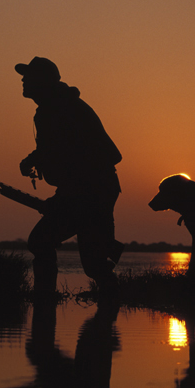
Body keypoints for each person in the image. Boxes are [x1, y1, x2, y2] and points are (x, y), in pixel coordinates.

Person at [15, 56, 123, 293]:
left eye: (28, 77)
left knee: (47, 243)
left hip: (90, 192)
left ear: (43, 81)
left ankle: (45, 300)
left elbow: (77, 151)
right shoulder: (54, 108)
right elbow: (57, 148)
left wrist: (65, 197)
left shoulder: (62, 108)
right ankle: (50, 306)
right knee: (91, 262)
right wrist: (34, 159)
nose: (23, 80)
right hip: (84, 191)